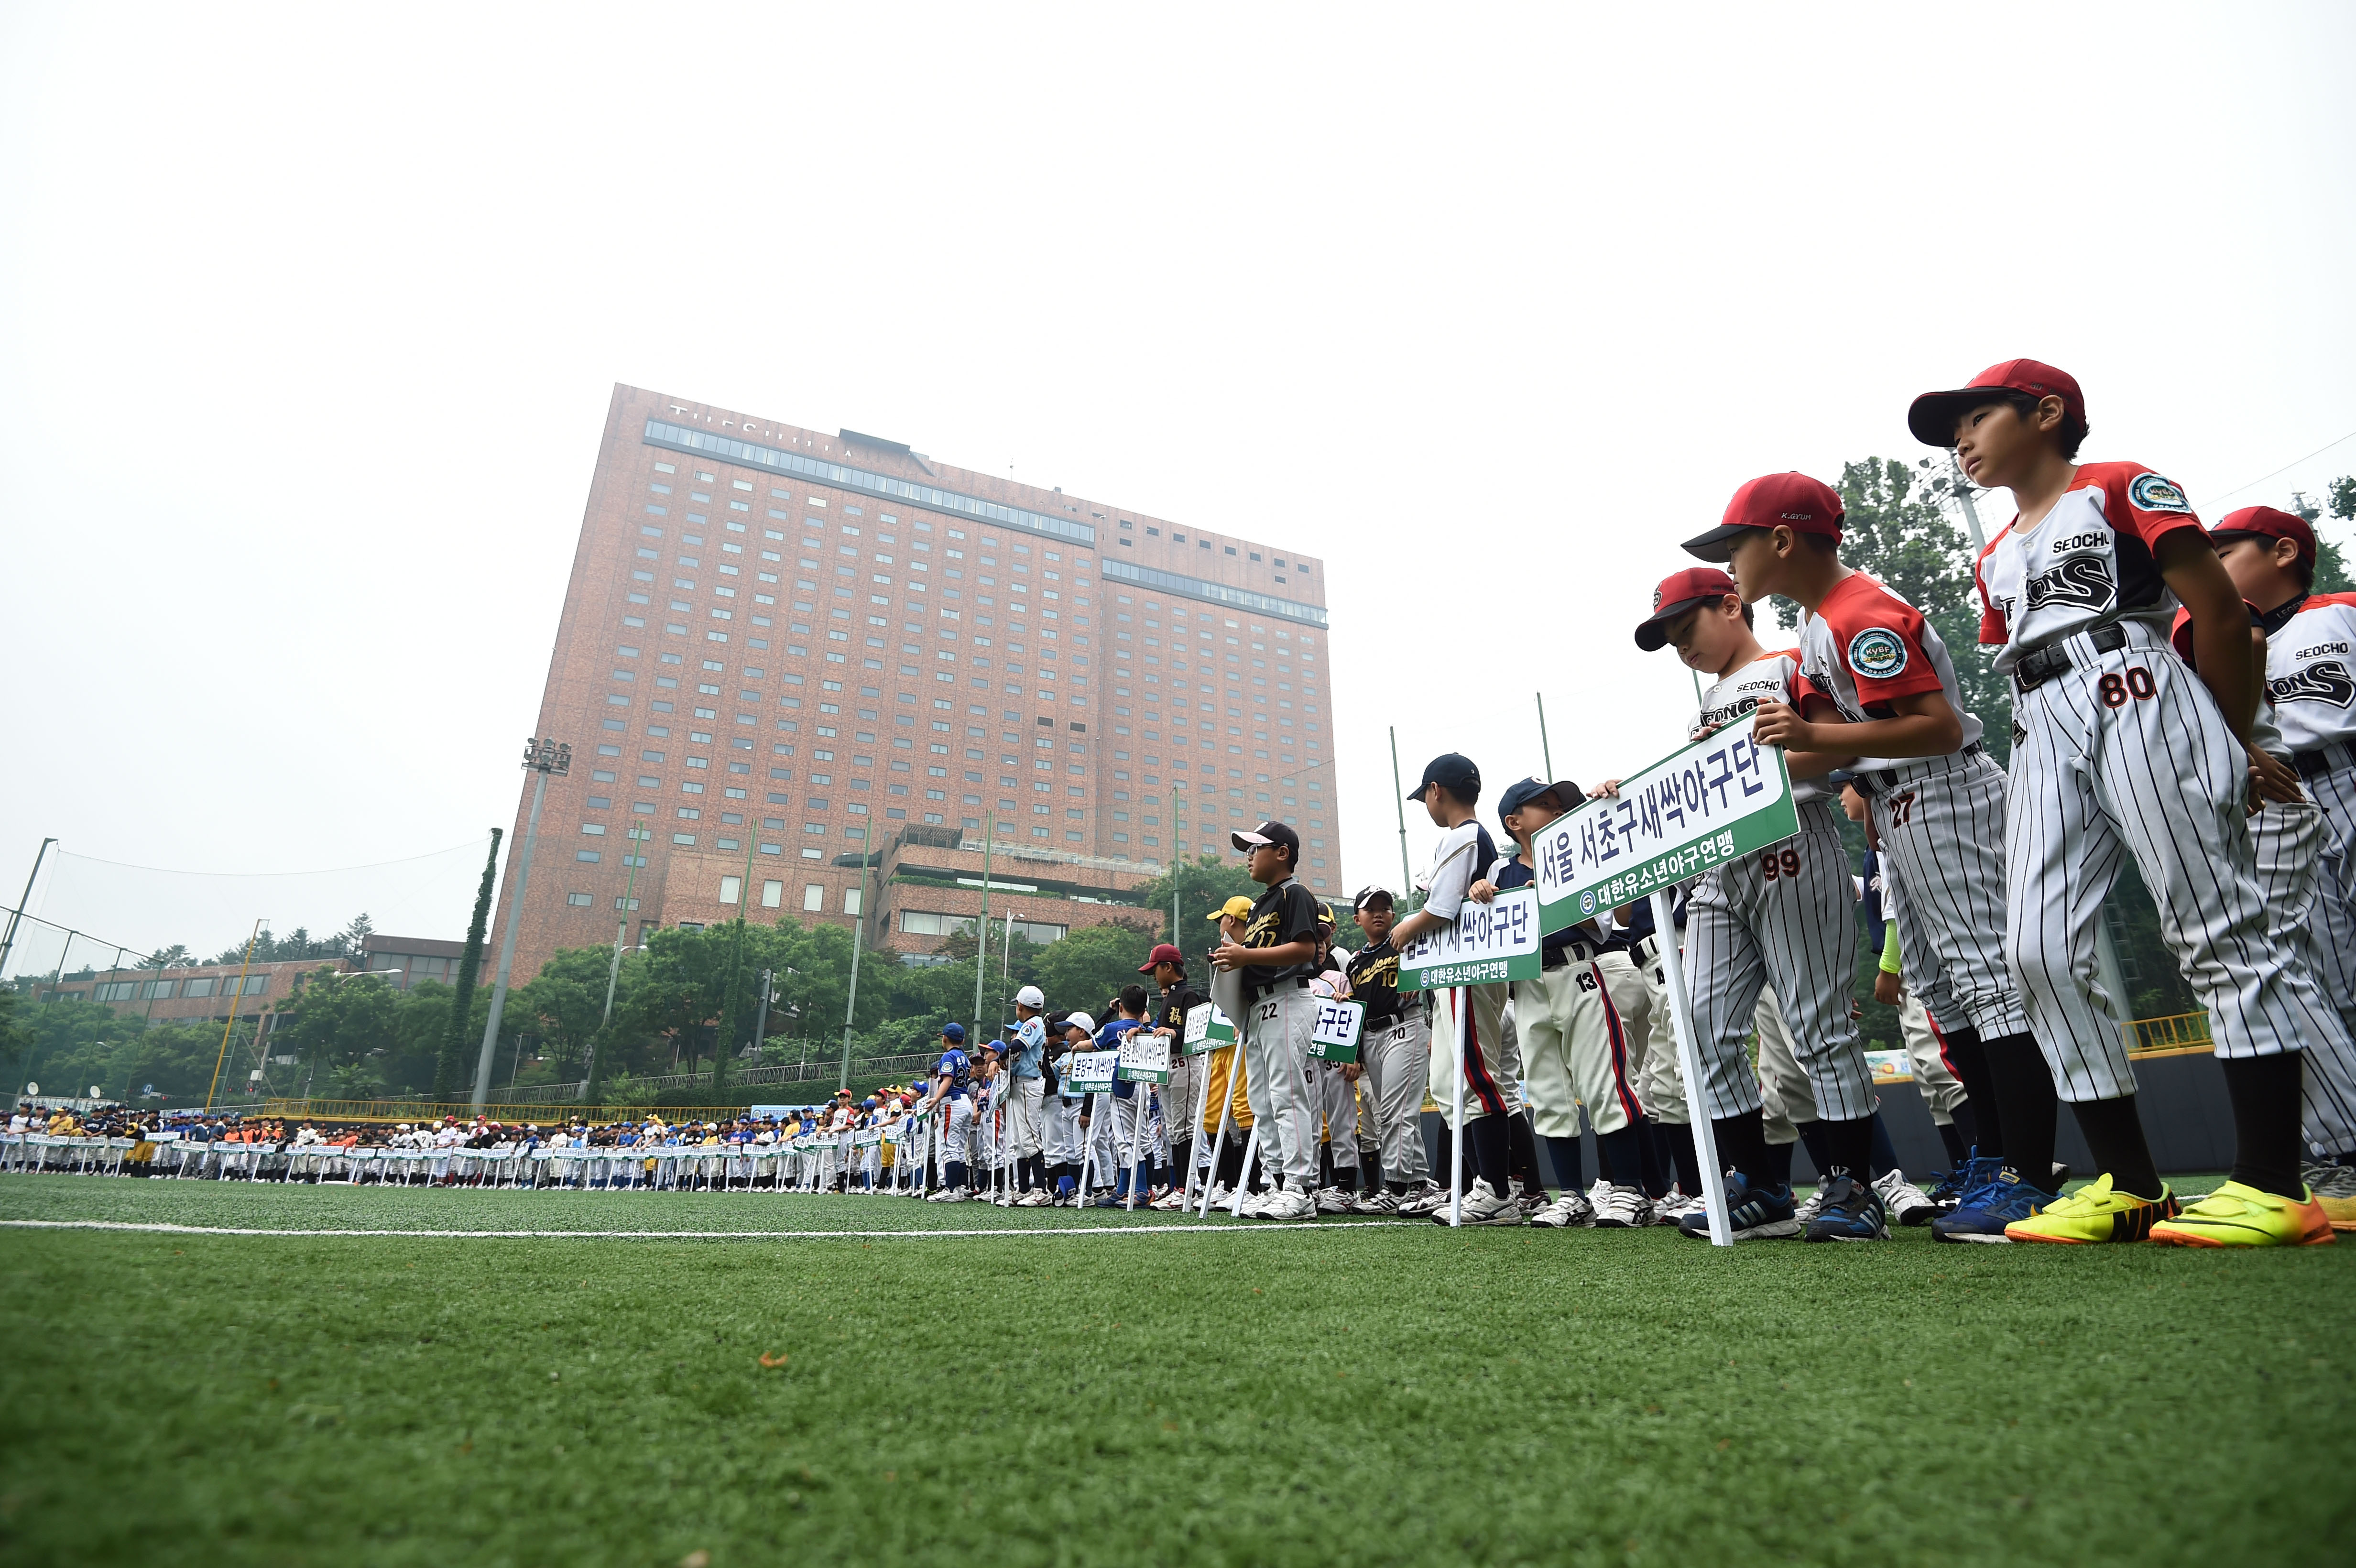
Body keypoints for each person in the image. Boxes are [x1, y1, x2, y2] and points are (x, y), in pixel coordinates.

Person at [1908, 359, 2334, 1245]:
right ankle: (2130, 1185)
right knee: (2033, 949)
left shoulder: (2118, 485)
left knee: (2212, 925)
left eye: (1976, 417)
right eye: (1955, 429)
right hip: (2037, 713)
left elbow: (2220, 613)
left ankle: (2273, 1184)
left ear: (2045, 412)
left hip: (2133, 684)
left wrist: (2231, 737)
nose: (1961, 439)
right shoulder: (1992, 553)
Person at [1626, 558, 1876, 1241]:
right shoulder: (1702, 709)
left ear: (1731, 606)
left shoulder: (1792, 663)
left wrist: (1754, 769)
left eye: (1687, 628)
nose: (1682, 647)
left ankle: (1854, 1187)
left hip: (1793, 846)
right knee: (1700, 1025)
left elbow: (1834, 751)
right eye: (1672, 640)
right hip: (1719, 870)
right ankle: (1759, 1186)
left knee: (1817, 1026)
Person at [2194, 505, 2356, 1231]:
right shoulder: (2219, 641)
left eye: (2225, 551)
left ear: (2283, 551)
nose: (2213, 567)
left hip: (2347, 770)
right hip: (2283, 799)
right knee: (2326, 981)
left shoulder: (2339, 611)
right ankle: (2340, 1156)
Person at [1476, 776, 1654, 1227]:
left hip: (1580, 970)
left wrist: (1554, 891)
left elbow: (1613, 919)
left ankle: (1630, 1190)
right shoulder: (1500, 871)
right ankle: (1572, 1195)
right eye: (1545, 804)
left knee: (1603, 1082)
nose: (1557, 810)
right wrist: (1480, 895)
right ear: (1514, 822)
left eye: (1559, 804)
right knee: (1547, 1092)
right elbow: (1489, 932)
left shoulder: (1580, 854)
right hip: (1528, 983)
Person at [1384, 752, 1519, 1225]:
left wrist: (1406, 928)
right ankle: (1479, 1186)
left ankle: (1496, 1191)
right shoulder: (1468, 837)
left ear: (1435, 791)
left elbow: (1440, 908)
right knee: (1447, 1082)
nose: (1426, 803)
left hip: (1470, 970)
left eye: (1425, 795)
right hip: (1454, 971)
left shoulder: (1463, 834)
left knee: (1474, 1077)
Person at [1212, 820, 1325, 1221]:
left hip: (1288, 997)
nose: (1248, 857)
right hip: (1259, 1006)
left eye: (1255, 849)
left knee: (1286, 1095)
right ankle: (1275, 1183)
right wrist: (1234, 960)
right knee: (1262, 1101)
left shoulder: (1296, 893)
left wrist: (1245, 955)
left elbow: (1305, 949)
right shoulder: (1261, 903)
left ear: (1281, 853)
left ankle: (1300, 1188)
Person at [1343, 887, 1431, 1214]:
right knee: (1396, 1112)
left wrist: (1419, 979)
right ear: (1358, 919)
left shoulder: (1407, 942)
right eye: (1371, 909)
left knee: (1396, 1112)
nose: (1379, 913)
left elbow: (1434, 970)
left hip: (1404, 1026)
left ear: (1394, 914)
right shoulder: (1355, 962)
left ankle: (1395, 1187)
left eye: (1385, 907)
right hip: (1371, 1036)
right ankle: (1420, 1182)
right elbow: (1356, 1008)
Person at [1140, 944, 1207, 1210]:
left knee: (1185, 1129)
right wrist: (1143, 1031)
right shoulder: (1169, 997)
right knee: (1173, 1131)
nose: (1154, 976)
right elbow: (1160, 1030)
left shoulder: (1189, 995)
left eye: (1155, 970)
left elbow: (1198, 1034)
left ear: (1168, 967)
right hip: (1168, 1066)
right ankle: (1180, 1186)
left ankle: (1189, 1187)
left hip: (1185, 1063)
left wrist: (1174, 1033)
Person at [1003, 984, 1050, 1205]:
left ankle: (1041, 1190)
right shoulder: (1032, 1023)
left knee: (1030, 1139)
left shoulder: (1033, 1023)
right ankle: (1023, 1190)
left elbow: (1018, 1045)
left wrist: (998, 1059)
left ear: (1021, 1006)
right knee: (1020, 1142)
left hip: (1027, 1085)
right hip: (1020, 1085)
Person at [921, 1023, 976, 1203]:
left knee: (949, 1147)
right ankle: (958, 1189)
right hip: (965, 1102)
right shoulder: (965, 1058)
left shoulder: (948, 1056)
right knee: (958, 1148)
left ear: (945, 1038)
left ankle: (950, 1189)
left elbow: (948, 1079)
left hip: (952, 1103)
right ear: (963, 1041)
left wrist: (936, 1098)